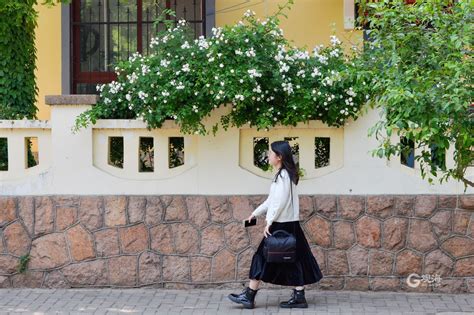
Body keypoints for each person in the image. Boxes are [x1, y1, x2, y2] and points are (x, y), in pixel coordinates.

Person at [228, 140, 323, 309]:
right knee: (295, 258)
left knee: (261, 256)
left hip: (281, 224)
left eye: (270, 153)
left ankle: (249, 296)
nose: (268, 156)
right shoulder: (285, 175)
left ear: (279, 157)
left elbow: (278, 202)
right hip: (289, 224)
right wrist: (255, 213)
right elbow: (271, 200)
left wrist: (269, 222)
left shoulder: (284, 176)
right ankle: (298, 295)